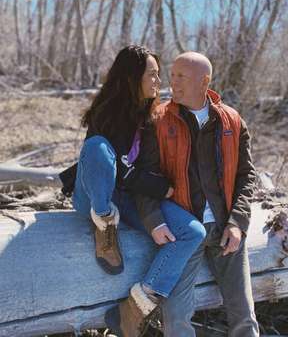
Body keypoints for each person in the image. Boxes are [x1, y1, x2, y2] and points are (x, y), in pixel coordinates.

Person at [68, 46, 206, 336]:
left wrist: (157, 202)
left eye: (158, 75)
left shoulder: (151, 117)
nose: (158, 81)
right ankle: (104, 225)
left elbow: (141, 171)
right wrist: (159, 187)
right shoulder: (106, 113)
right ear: (133, 78)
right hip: (93, 196)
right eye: (152, 75)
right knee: (96, 148)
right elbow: (116, 169)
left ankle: (136, 308)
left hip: (129, 198)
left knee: (193, 232)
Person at [135, 51, 260, 336]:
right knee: (176, 319)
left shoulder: (232, 121)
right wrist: (154, 220)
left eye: (182, 77)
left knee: (245, 315)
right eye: (173, 74)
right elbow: (145, 180)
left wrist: (237, 223)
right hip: (183, 233)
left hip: (225, 230)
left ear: (204, 82)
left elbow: (246, 176)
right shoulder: (158, 120)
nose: (173, 82)